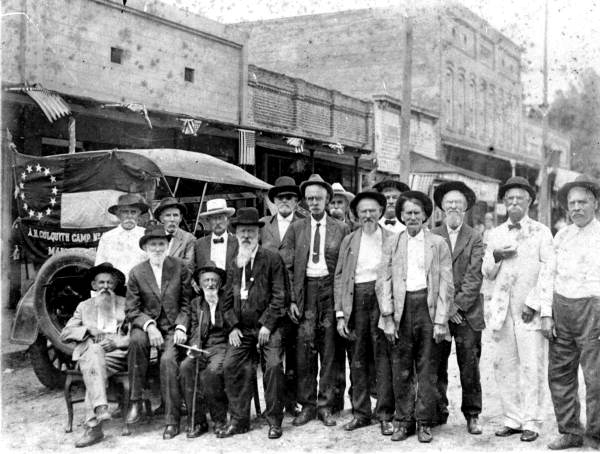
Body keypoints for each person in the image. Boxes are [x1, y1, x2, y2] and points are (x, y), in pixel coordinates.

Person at [376, 190, 453, 443]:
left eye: (416, 213)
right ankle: (402, 421)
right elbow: (383, 281)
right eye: (407, 213)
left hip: (427, 309)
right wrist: (387, 317)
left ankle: (424, 422)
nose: (412, 217)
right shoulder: (392, 243)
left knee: (428, 367)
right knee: (401, 368)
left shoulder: (438, 244)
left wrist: (441, 320)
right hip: (400, 309)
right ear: (401, 215)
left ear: (426, 216)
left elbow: (446, 285)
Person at [482, 176, 553, 443]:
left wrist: (534, 304)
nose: (514, 203)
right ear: (503, 203)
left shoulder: (541, 232)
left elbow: (548, 271)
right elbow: (486, 273)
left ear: (529, 202)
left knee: (531, 365)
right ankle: (512, 418)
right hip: (501, 311)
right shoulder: (495, 233)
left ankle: (532, 420)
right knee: (504, 365)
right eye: (509, 199)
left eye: (519, 199)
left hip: (528, 310)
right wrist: (496, 257)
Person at [281, 174, 351, 427]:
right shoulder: (297, 228)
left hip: (330, 292)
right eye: (309, 198)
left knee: (330, 350)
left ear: (327, 199)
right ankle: (307, 405)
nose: (314, 202)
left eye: (318, 198)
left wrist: (342, 302)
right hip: (306, 292)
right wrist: (292, 299)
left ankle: (325, 406)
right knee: (304, 351)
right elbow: (287, 266)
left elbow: (345, 269)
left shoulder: (341, 229)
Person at [543, 175, 600, 450]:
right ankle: (570, 431)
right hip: (562, 308)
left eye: (583, 202)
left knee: (596, 378)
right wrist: (546, 313)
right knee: (560, 375)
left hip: (593, 311)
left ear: (595, 204)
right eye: (572, 203)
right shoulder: (561, 235)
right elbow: (548, 275)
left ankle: (595, 435)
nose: (576, 208)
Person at [220, 208, 287, 439]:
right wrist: (233, 327)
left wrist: (268, 325)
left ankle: (274, 420)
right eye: (242, 231)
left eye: (250, 231)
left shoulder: (272, 258)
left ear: (258, 233)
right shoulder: (234, 262)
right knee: (230, 364)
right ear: (236, 234)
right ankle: (239, 420)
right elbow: (226, 300)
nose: (246, 236)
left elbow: (280, 297)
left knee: (274, 365)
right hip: (242, 329)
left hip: (269, 327)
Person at [124, 225, 192, 440]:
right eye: (152, 244)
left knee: (168, 361)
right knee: (136, 340)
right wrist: (149, 326)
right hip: (148, 324)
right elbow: (131, 310)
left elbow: (187, 304)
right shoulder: (136, 272)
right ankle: (135, 400)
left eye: (161, 244)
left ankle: (172, 421)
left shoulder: (180, 267)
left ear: (167, 245)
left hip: (173, 326)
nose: (157, 248)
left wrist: (182, 326)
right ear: (145, 247)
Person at [334, 190, 393, 433]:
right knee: (356, 357)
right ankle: (360, 413)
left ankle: (385, 413)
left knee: (383, 356)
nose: (368, 215)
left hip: (381, 300)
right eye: (363, 212)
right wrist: (340, 314)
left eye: (372, 211)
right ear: (356, 215)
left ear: (380, 212)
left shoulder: (392, 238)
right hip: (355, 299)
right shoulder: (349, 240)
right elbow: (339, 276)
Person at [432, 181, 484, 434]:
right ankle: (438, 409)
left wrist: (456, 307)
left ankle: (472, 414)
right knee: (435, 362)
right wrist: (445, 309)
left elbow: (475, 277)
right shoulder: (431, 235)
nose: (453, 207)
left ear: (465, 208)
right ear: (441, 207)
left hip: (467, 313)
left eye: (458, 204)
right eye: (449, 203)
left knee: (469, 364)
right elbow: (430, 275)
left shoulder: (475, 237)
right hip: (439, 313)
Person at [60, 263, 129, 448]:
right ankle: (99, 411)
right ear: (93, 285)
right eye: (101, 283)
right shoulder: (84, 306)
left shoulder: (125, 303)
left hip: (115, 354)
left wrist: (118, 342)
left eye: (109, 283)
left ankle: (95, 424)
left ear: (115, 285)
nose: (105, 287)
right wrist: (87, 329)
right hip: (92, 353)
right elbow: (65, 333)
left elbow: (137, 334)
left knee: (93, 362)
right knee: (94, 352)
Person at [260, 175, 304, 415]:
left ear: (297, 201)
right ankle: (274, 400)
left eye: (289, 197)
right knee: (274, 353)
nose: (284, 201)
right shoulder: (263, 225)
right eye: (280, 198)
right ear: (274, 201)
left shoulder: (304, 223)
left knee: (297, 353)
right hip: (271, 300)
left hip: (296, 298)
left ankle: (293, 400)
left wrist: (295, 299)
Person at [179, 261, 229, 438]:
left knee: (211, 373)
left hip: (223, 346)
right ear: (200, 284)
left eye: (214, 280)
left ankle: (219, 419)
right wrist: (194, 346)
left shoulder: (227, 299)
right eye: (206, 280)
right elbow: (194, 329)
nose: (210, 284)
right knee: (186, 367)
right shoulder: (196, 304)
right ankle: (197, 421)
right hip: (202, 346)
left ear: (220, 283)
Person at [95, 193, 149, 280]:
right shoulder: (108, 237)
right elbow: (100, 265)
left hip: (140, 288)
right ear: (118, 215)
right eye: (125, 212)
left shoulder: (146, 235)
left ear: (138, 215)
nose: (129, 216)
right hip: (116, 287)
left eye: (133, 212)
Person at [194, 198, 237, 273]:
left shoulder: (238, 242)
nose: (217, 222)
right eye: (214, 218)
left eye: (220, 218)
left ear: (227, 220)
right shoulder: (198, 244)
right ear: (208, 221)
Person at [154, 197, 195, 269]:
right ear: (161, 219)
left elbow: (189, 267)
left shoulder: (189, 239)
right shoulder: (153, 237)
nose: (172, 219)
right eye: (168, 215)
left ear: (180, 218)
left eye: (175, 215)